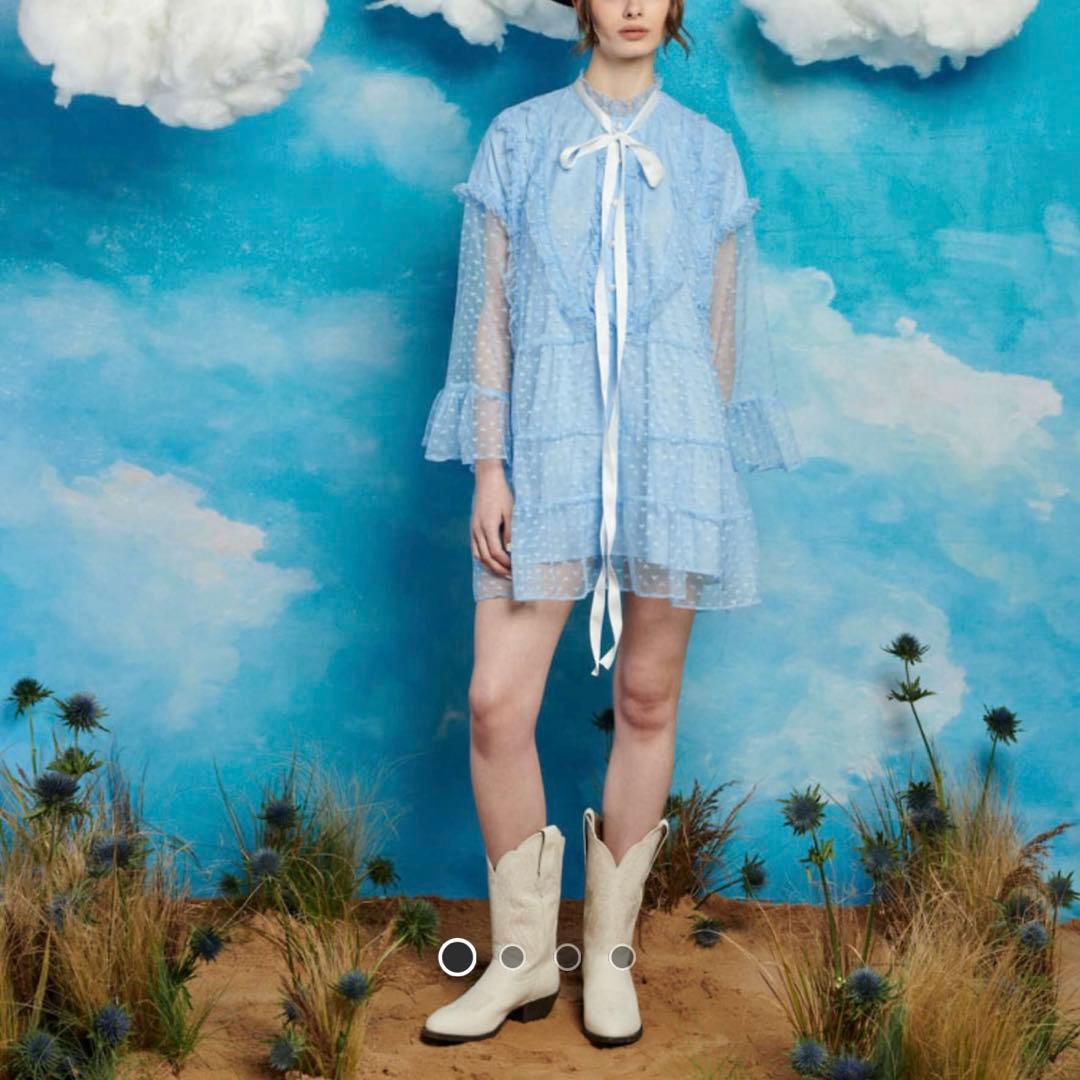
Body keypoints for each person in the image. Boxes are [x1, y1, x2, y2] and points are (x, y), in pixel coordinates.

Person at [419, 0, 802, 1050]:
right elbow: (489, 316)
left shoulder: (707, 152)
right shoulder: (519, 138)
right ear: (581, 3)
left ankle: (612, 960)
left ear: (673, 9)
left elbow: (719, 335)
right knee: (496, 702)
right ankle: (521, 962)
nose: (633, 4)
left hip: (671, 452)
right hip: (544, 449)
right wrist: (489, 468)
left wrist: (703, 469)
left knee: (645, 695)